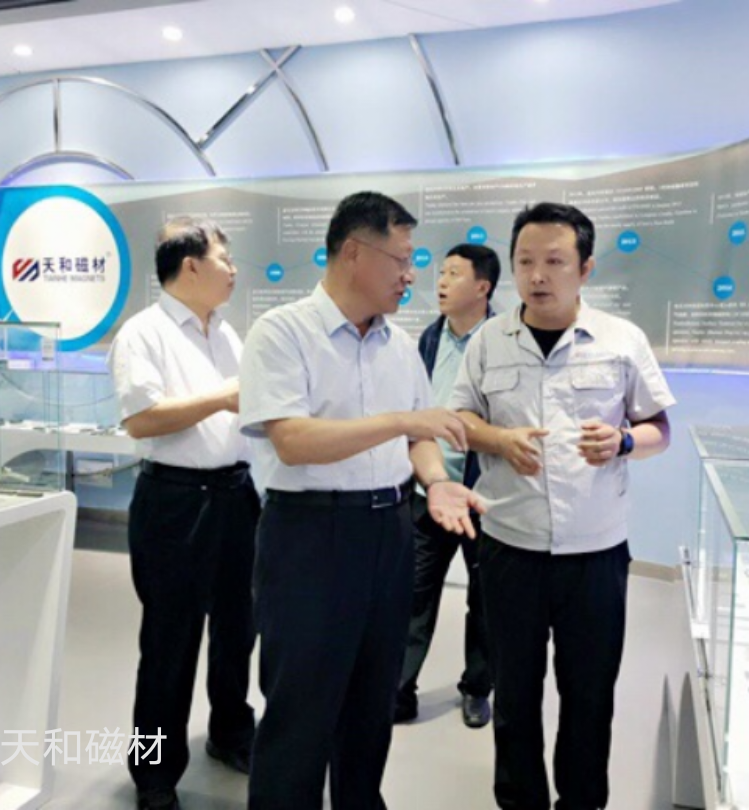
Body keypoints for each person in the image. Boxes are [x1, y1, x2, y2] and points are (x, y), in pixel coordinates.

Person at [238, 191, 485, 810]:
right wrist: (400, 421)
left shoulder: (398, 345)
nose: (411, 275)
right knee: (300, 706)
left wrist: (436, 481)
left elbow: (419, 438)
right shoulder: (282, 332)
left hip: (388, 532)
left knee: (372, 704)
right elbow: (293, 440)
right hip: (310, 536)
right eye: (402, 259)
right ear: (353, 252)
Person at [450, 202, 674, 810]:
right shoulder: (489, 341)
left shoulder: (621, 340)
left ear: (585, 268)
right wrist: (499, 439)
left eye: (554, 261)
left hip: (596, 554)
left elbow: (659, 429)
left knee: (590, 695)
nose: (537, 275)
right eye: (525, 261)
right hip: (510, 548)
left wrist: (623, 441)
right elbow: (460, 418)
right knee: (514, 696)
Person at [108, 217, 259, 810]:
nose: (234, 270)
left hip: (236, 496)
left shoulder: (226, 332)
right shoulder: (142, 333)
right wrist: (223, 396)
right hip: (175, 503)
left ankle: (231, 732)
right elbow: (142, 418)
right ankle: (153, 774)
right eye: (225, 259)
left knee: (237, 629)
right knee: (169, 642)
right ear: (190, 265)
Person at [394, 243, 499, 729]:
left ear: (483, 287)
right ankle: (399, 690)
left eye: (454, 274)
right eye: (441, 273)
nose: (440, 282)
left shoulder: (502, 341)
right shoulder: (429, 337)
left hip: (482, 496)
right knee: (412, 595)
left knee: (486, 601)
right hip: (428, 490)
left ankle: (477, 689)